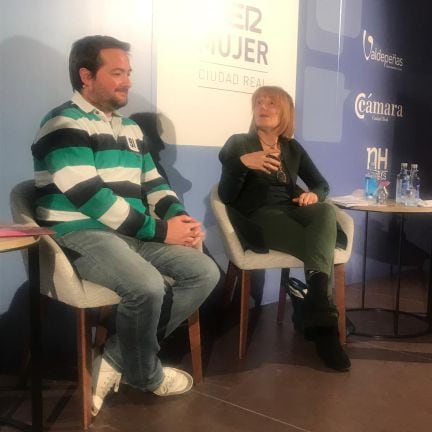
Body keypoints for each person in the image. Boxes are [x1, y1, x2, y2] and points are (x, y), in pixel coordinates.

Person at [31, 35, 220, 415]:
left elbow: (153, 183)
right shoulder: (62, 122)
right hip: (80, 233)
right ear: (86, 76)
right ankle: (145, 374)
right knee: (147, 286)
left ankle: (117, 358)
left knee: (204, 272)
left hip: (129, 234)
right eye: (117, 73)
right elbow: (90, 198)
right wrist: (164, 232)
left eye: (128, 73)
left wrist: (175, 217)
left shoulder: (131, 129)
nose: (128, 81)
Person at [218, 85, 351, 371]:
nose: (263, 108)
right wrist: (242, 164)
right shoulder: (238, 143)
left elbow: (321, 184)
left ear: (285, 113)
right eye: (259, 103)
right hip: (259, 217)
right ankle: (324, 326)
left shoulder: (291, 148)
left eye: (272, 104)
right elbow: (227, 195)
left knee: (324, 212)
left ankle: (314, 304)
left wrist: (313, 195)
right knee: (321, 244)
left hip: (292, 211)